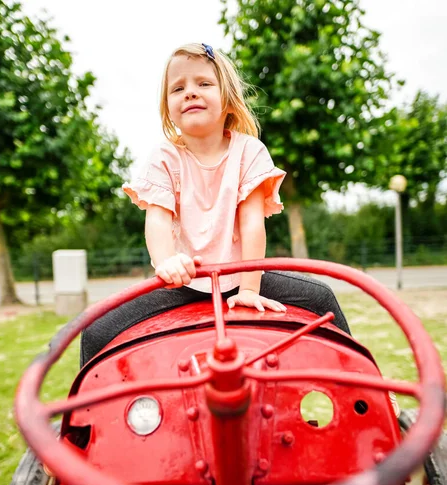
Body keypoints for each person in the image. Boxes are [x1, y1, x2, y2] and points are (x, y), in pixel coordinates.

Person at [80, 43, 350, 366]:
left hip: (242, 276)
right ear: (168, 108)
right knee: (96, 328)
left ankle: (372, 398)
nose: (190, 93)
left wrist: (249, 289)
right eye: (178, 88)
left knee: (322, 299)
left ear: (229, 100)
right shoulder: (165, 157)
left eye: (203, 84)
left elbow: (252, 223)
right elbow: (157, 220)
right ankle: (82, 414)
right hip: (184, 283)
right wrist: (166, 262)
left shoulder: (248, 151)